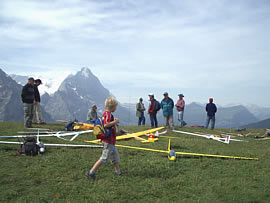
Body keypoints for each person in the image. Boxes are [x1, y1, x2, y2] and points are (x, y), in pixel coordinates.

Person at [85, 97, 121, 180]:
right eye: (115, 106)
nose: (116, 108)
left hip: (111, 141)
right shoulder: (108, 114)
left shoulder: (106, 114)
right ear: (112, 106)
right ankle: (91, 172)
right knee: (104, 158)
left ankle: (118, 172)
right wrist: (115, 122)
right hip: (108, 141)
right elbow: (106, 125)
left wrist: (113, 121)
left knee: (115, 157)